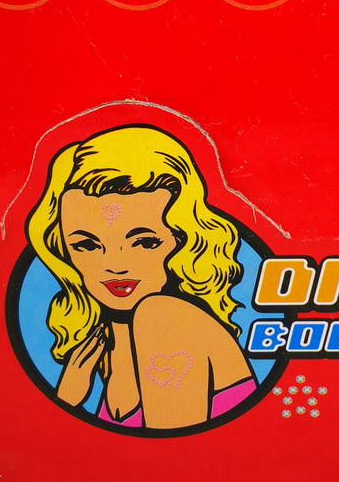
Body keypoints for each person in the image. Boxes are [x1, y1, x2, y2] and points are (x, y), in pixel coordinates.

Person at [26, 124, 255, 429]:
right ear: (63, 250)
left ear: (182, 240)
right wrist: (67, 398)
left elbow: (173, 454)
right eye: (87, 245)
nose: (115, 265)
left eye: (144, 242)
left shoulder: (165, 317)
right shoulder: (105, 348)